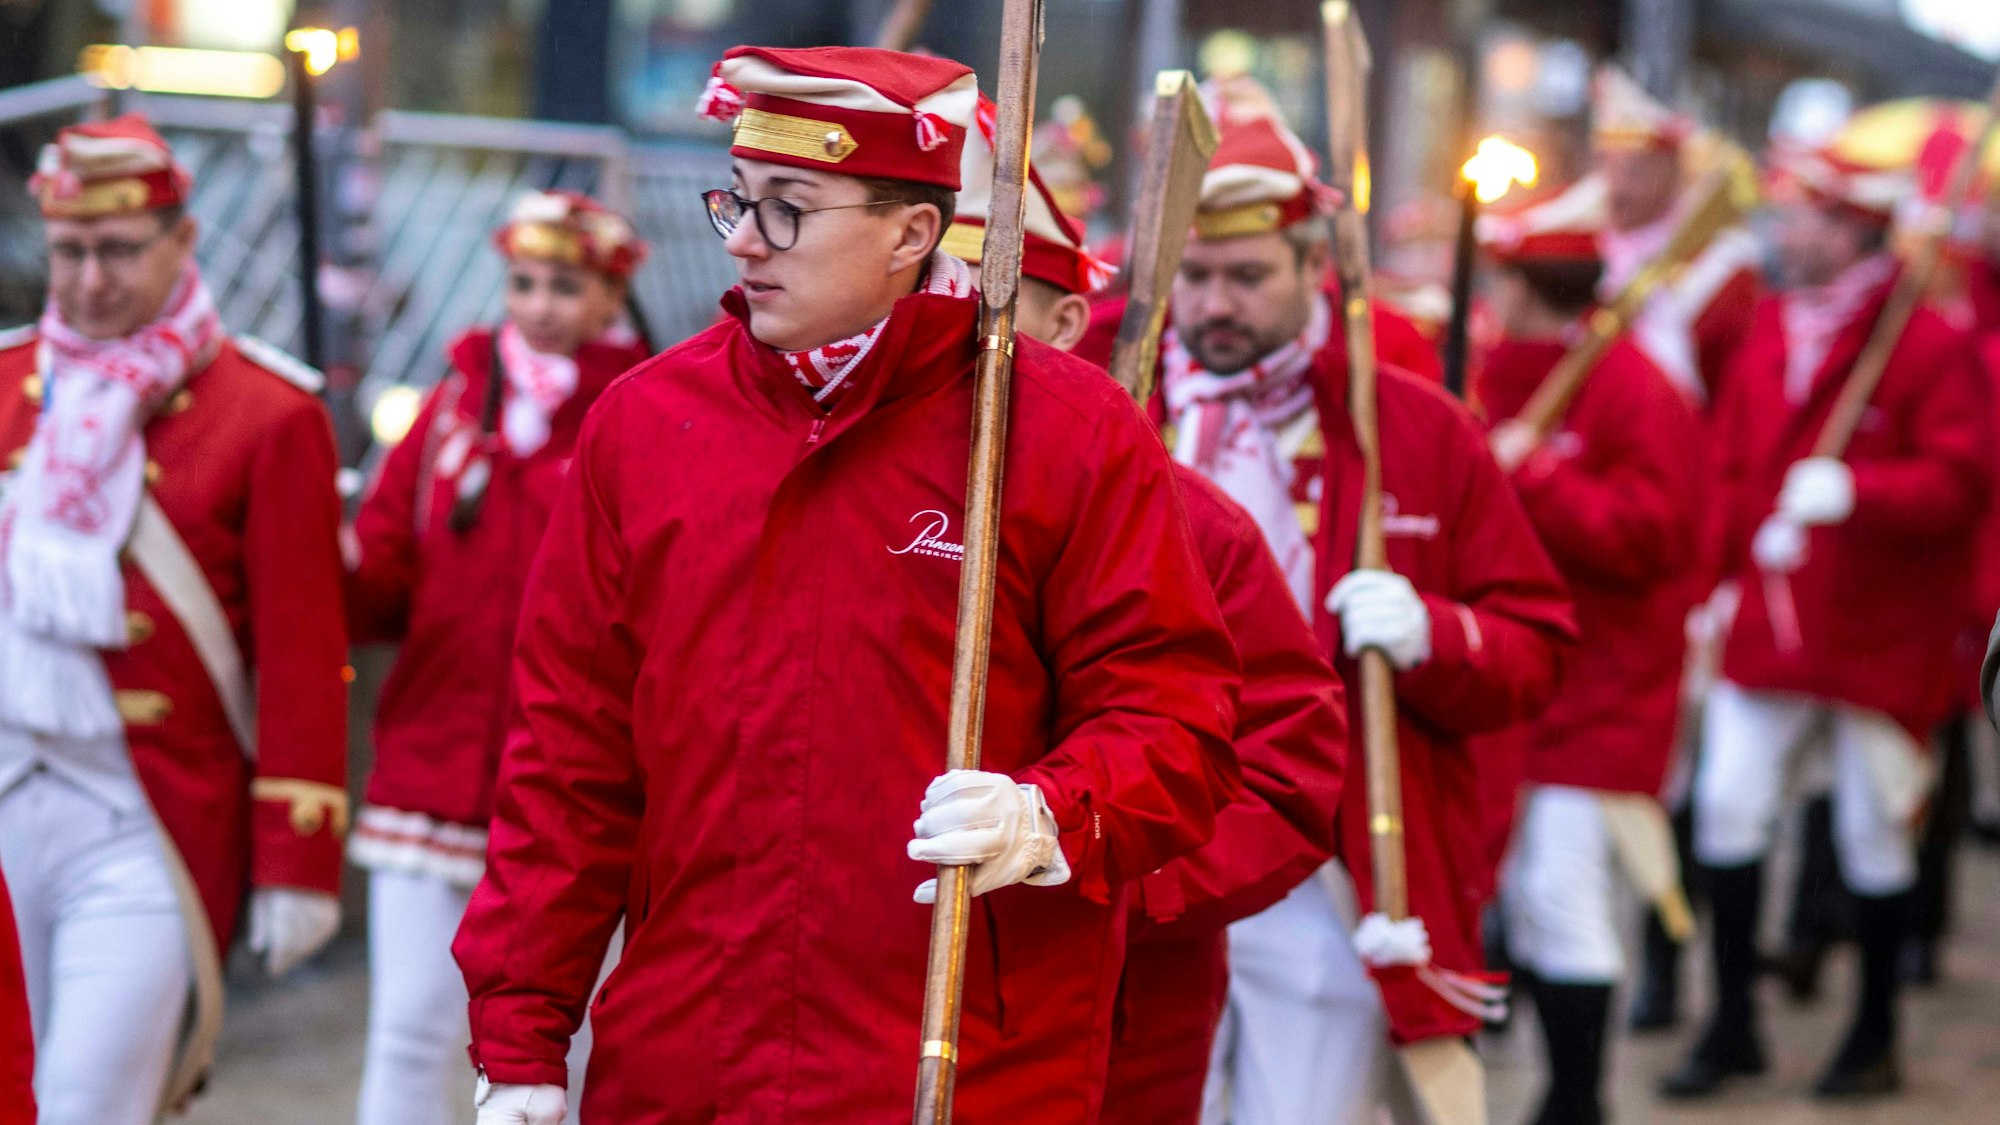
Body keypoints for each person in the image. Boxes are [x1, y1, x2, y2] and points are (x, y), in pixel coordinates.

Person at [452, 46, 1244, 1125]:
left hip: (959, 1061)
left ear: (911, 232)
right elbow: (568, 760)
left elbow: (1174, 717)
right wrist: (523, 1036)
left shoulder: (1061, 428)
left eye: (788, 207)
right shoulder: (642, 427)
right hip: (687, 1061)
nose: (740, 236)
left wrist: (1049, 813)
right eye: (737, 198)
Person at [1164, 111, 1575, 1125]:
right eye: (1193, 274)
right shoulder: (1105, 402)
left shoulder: (1411, 425)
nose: (1214, 305)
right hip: (1149, 849)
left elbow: (1532, 647)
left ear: (1314, 268)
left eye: (1247, 276)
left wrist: (1434, 633)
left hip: (1326, 860)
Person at [945, 116, 1350, 1125]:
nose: (943, 329)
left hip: (1122, 990)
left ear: (1066, 321)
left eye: (985, 303)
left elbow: (1286, 765)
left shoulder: (1187, 520)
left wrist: (1098, 858)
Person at [0, 115, 348, 1124]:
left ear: (182, 241)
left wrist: (297, 854)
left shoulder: (269, 412)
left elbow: (300, 649)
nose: (90, 280)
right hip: (6, 791)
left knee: (86, 1101)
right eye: (70, 252)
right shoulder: (6, 385)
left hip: (143, 817)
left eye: (118, 251)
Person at [1663, 138, 1989, 1100]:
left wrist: (1860, 489)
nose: (1779, 232)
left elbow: (1965, 481)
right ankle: (1731, 1022)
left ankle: (1875, 1029)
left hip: (1880, 632)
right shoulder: (1769, 323)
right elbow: (1729, 460)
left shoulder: (1924, 342)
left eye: (1798, 216)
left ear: (1850, 230)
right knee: (1727, 803)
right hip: (1770, 620)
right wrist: (1716, 575)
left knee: (1871, 828)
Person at [345, 190, 651, 1125]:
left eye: (567, 284)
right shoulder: (447, 412)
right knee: (407, 1031)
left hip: (577, 789)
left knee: (558, 1053)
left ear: (609, 298)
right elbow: (383, 586)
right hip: (431, 771)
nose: (542, 304)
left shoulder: (645, 415)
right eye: (524, 282)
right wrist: (328, 545)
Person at [1473, 187, 1706, 1125]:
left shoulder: (1635, 387)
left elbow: (1653, 537)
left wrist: (1543, 474)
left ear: (1530, 285)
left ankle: (1577, 1102)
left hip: (1606, 690)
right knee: (1525, 896)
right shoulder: (1497, 369)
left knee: (1566, 897)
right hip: (1520, 687)